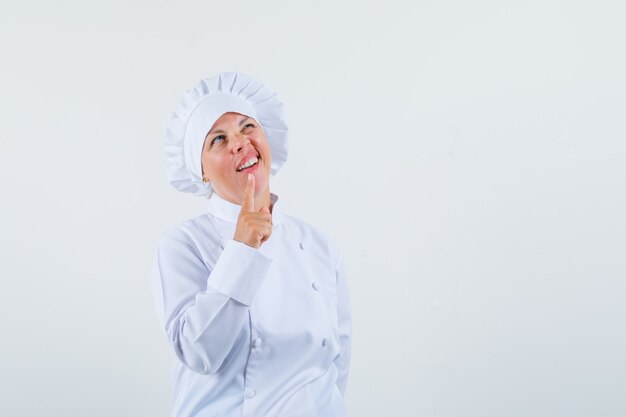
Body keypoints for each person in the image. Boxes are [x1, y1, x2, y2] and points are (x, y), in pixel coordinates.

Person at [150, 71, 352, 417]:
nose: (240, 142)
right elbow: (199, 352)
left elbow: (336, 362)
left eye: (247, 127)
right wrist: (242, 250)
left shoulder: (319, 245)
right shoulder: (182, 246)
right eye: (218, 139)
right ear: (200, 171)